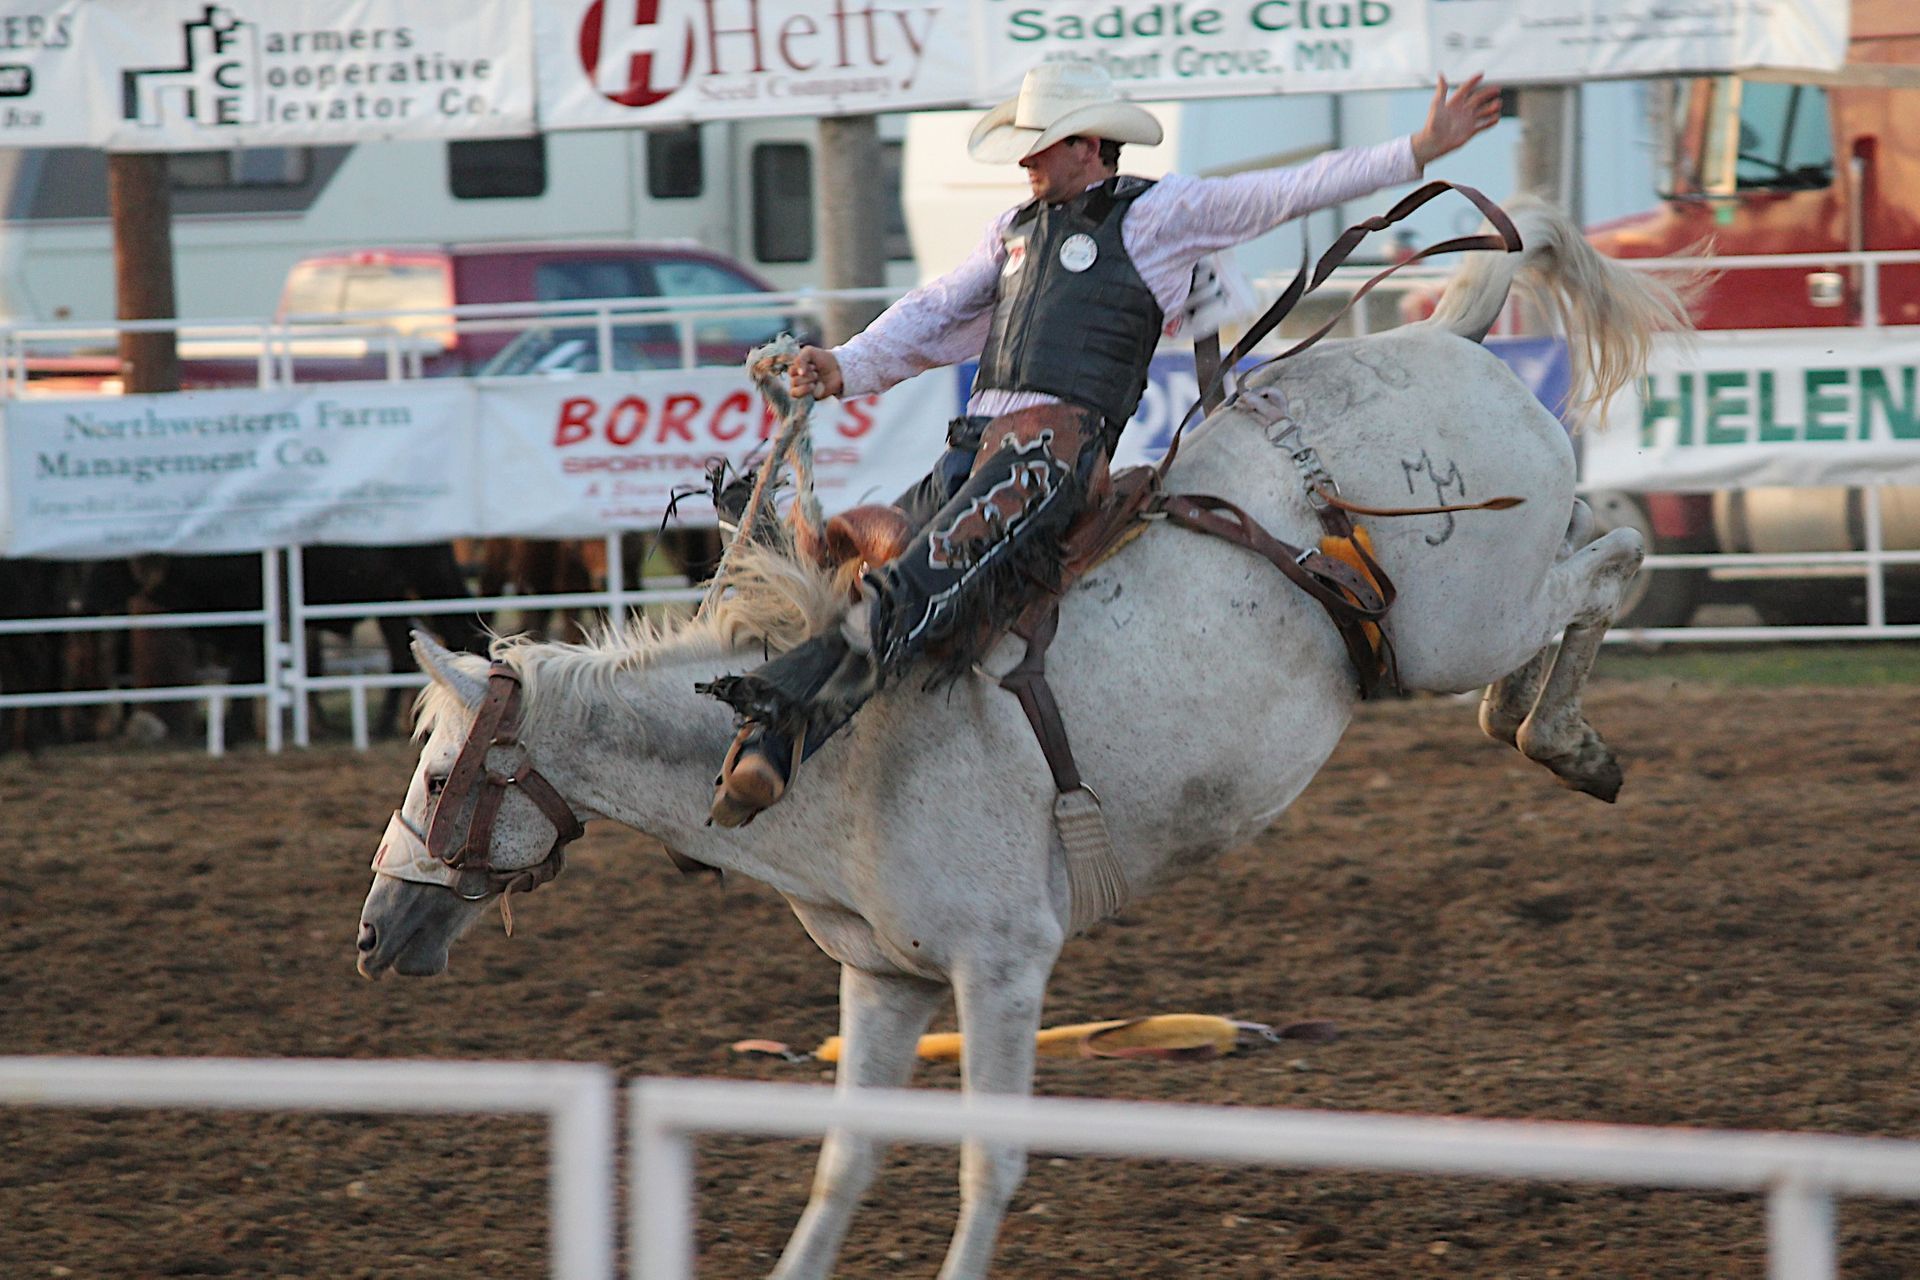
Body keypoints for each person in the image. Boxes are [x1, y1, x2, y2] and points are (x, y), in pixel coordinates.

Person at [700, 61, 1502, 827]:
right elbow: (933, 311)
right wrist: (845, 364)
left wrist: (1414, 151)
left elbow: (1280, 194)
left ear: (1087, 144)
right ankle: (776, 741)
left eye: (1041, 139)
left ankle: (775, 728)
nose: (1026, 155)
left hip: (1054, 456)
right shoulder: (1012, 232)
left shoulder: (1157, 215)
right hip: (975, 447)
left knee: (917, 582)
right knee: (857, 562)